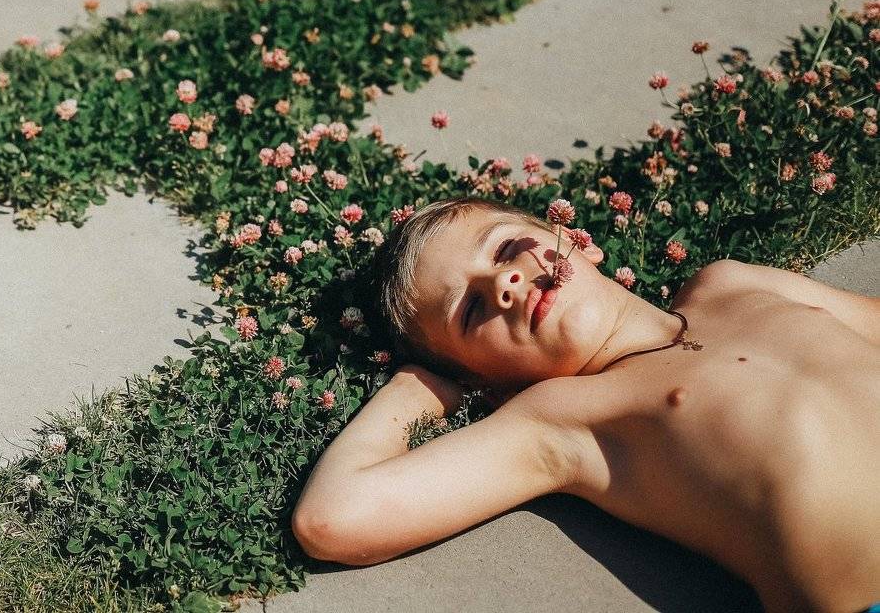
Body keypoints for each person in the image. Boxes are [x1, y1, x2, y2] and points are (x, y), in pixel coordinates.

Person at [291, 196, 880, 613]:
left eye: (506, 249)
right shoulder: (563, 419)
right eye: (471, 310)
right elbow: (332, 520)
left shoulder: (733, 284)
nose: (504, 283)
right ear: (491, 385)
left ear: (578, 241)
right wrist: (415, 387)